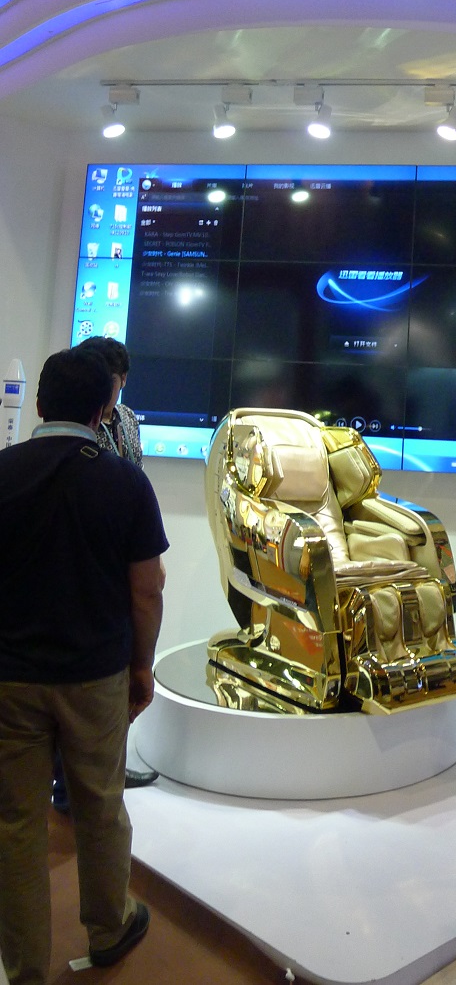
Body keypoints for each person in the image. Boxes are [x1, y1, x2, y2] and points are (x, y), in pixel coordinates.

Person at [0, 348, 169, 984]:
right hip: (96, 676)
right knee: (100, 807)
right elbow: (147, 589)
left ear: (41, 404)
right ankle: (108, 928)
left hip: (10, 677)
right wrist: (142, 667)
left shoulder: (3, 472)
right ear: (103, 411)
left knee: (15, 824)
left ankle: (24, 969)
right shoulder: (125, 482)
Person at [49, 336, 153, 810]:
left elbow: (137, 478)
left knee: (118, 670)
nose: (114, 391)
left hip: (125, 553)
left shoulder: (127, 420)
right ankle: (66, 782)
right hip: (85, 561)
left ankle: (108, 763)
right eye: (109, 382)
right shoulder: (72, 426)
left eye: (118, 382)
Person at [77, 336, 143, 466]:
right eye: (95, 380)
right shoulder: (79, 422)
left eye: (110, 381)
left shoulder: (128, 416)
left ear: (123, 379)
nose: (103, 389)